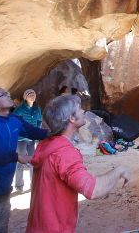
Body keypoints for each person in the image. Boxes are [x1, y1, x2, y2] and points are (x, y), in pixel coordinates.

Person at [26, 94, 131, 233]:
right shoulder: (64, 153)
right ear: (71, 118)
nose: (83, 111)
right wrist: (119, 170)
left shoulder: (46, 145)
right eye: (79, 109)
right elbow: (93, 190)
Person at [0, 87, 48, 233]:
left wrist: (60, 130)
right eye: (4, 95)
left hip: (4, 195)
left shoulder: (15, 120)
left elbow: (34, 132)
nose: (9, 94)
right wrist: (16, 156)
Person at [13, 89, 42, 193]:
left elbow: (39, 121)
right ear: (25, 97)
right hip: (21, 139)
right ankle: (19, 185)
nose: (32, 96)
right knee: (20, 161)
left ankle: (33, 184)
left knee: (33, 161)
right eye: (29, 94)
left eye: (33, 94)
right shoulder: (20, 109)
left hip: (31, 138)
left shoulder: (37, 109)